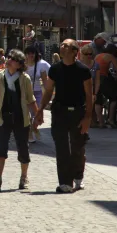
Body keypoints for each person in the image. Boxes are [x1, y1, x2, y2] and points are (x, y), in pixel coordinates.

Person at [37, 39, 93, 193]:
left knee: (77, 147)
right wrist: (40, 108)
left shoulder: (83, 70)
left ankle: (78, 176)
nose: (62, 47)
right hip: (59, 111)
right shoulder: (55, 69)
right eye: (62, 45)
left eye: (66, 46)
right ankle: (65, 183)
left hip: (78, 112)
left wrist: (88, 117)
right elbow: (48, 91)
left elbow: (89, 95)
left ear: (75, 51)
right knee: (61, 148)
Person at [0, 49, 40, 191]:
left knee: (23, 149)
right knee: (1, 148)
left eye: (13, 59)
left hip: (21, 118)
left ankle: (24, 177)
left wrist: (38, 115)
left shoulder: (24, 78)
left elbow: (30, 99)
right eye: (9, 57)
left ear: (19, 65)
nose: (9, 59)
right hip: (3, 118)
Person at [24, 45, 51, 143]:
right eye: (29, 54)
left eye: (33, 53)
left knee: (37, 114)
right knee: (27, 115)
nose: (31, 55)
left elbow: (45, 80)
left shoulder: (41, 64)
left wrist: (48, 93)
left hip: (37, 92)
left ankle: (34, 127)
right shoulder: (22, 65)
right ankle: (29, 134)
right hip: (25, 93)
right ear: (25, 55)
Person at [94, 43, 117, 128]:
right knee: (113, 98)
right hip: (103, 79)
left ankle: (101, 122)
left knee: (98, 100)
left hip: (95, 78)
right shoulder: (110, 56)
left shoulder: (97, 56)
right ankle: (110, 119)